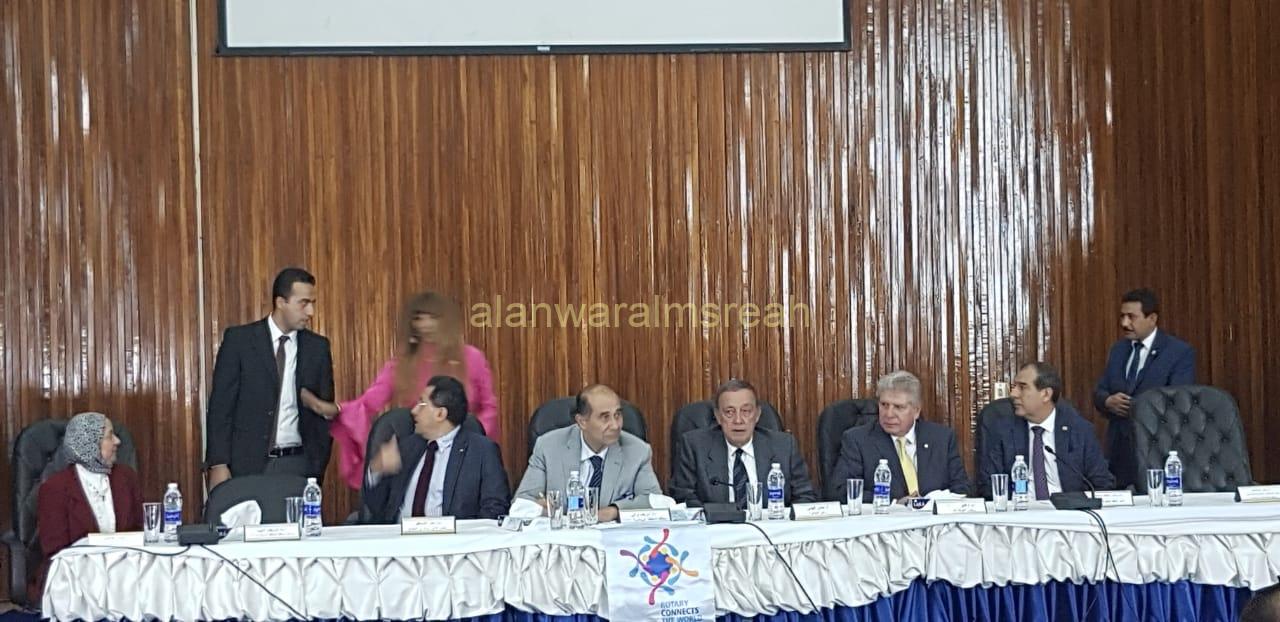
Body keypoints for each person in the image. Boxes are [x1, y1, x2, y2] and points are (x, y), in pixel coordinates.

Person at [307, 291, 500, 490]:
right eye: (418, 318)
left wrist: (473, 442)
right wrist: (338, 409)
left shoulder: (472, 358)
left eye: (432, 317)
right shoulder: (403, 363)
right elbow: (370, 401)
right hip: (418, 454)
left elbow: (489, 407)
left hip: (466, 453)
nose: (425, 325)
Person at [204, 268, 335, 488]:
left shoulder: (318, 348)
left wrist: (317, 465)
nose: (311, 311)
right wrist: (218, 463)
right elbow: (221, 408)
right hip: (246, 465)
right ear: (281, 302)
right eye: (303, 303)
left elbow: (323, 413)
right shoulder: (240, 341)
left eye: (312, 303)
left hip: (298, 464)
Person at [361, 376, 510, 522]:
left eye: (422, 404)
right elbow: (378, 510)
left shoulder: (481, 451)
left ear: (440, 414)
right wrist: (376, 471)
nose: (414, 411)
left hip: (453, 537)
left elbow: (495, 508)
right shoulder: (406, 448)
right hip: (400, 535)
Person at [1092, 288, 1195, 488]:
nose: (1124, 323)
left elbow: (1178, 401)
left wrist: (1137, 407)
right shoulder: (1118, 350)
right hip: (1120, 452)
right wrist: (1108, 401)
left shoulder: (1178, 352)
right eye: (1122, 316)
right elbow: (1100, 390)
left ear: (1152, 318)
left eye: (1131, 317)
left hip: (1158, 449)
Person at [514, 384, 663, 522]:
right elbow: (521, 502)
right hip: (562, 536)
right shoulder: (548, 446)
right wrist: (548, 511)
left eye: (617, 415)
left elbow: (656, 502)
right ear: (582, 422)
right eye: (605, 417)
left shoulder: (638, 451)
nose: (615, 425)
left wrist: (614, 511)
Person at [33, 413, 143, 599]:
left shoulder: (126, 477)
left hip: (126, 573)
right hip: (74, 579)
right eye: (109, 436)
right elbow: (56, 550)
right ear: (89, 443)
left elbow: (141, 530)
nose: (117, 441)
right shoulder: (55, 488)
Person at [669, 379, 817, 507]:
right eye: (729, 412)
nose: (738, 420)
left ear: (757, 415)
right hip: (715, 529)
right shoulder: (695, 446)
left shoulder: (783, 446)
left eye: (746, 411)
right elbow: (683, 497)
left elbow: (805, 496)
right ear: (718, 416)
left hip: (771, 529)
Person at [977, 362, 1115, 499]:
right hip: (1019, 508)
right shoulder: (1000, 427)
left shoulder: (1079, 430)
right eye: (1015, 386)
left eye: (1022, 387)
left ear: (1046, 394)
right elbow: (989, 485)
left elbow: (1102, 482)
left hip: (1066, 509)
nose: (1013, 394)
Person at [829, 370, 969, 502]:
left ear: (916, 411)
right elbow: (840, 491)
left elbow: (962, 489)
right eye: (884, 405)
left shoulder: (942, 438)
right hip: (885, 518)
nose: (889, 414)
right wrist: (893, 502)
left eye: (898, 407)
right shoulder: (858, 440)